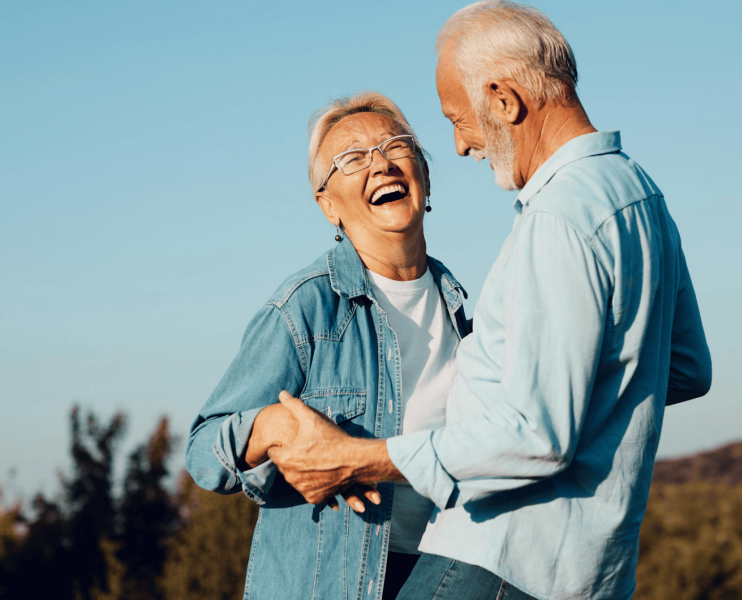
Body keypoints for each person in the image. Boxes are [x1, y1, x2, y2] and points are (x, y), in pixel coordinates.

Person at [268, 2, 713, 599]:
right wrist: (585, 401)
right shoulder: (639, 194)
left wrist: (360, 459)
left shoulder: (558, 218)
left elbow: (536, 436)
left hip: (497, 560)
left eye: (459, 118)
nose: (458, 146)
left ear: (505, 101)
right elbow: (684, 368)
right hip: (592, 572)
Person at [185, 92, 471, 600]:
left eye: (395, 146)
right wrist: (271, 427)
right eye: (352, 158)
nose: (380, 163)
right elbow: (203, 452)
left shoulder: (463, 310)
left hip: (440, 575)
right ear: (328, 205)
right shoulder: (305, 307)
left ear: (425, 175)